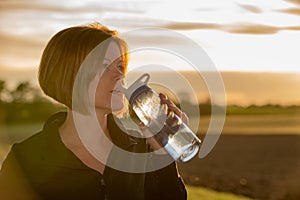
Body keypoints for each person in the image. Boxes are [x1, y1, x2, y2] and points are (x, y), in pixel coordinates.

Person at [0, 23, 187, 200]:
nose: (120, 75)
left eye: (120, 67)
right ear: (69, 74)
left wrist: (163, 154)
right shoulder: (24, 160)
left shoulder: (142, 150)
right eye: (105, 65)